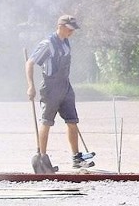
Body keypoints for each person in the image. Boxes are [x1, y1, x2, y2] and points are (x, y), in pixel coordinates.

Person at [25, 14, 91, 169]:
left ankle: (77, 158)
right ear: (60, 27)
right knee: (47, 122)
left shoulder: (66, 43)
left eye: (73, 30)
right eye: (70, 29)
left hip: (66, 86)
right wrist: (31, 86)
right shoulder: (47, 44)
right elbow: (30, 63)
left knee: (72, 121)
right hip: (50, 87)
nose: (72, 32)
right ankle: (42, 157)